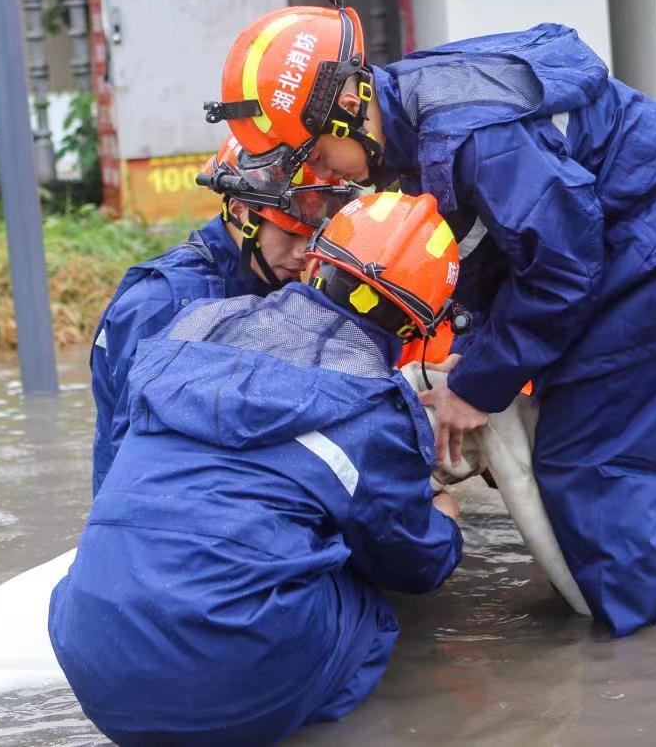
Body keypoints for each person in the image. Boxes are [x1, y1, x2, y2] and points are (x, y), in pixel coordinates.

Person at [203, 0, 656, 638]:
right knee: (574, 456)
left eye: (321, 158)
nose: (330, 181)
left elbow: (561, 264)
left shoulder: (470, 136)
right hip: (623, 254)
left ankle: (643, 673)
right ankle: (646, 622)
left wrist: (477, 383)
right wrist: (470, 363)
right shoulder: (408, 118)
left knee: (589, 474)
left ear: (351, 107)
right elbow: (500, 251)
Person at [51, 192, 465, 746]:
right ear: (418, 330)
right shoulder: (375, 412)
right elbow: (414, 563)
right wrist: (445, 522)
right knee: (370, 599)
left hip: (90, 659)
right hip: (230, 689)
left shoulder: (192, 324)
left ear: (316, 263)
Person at [88, 134, 354, 496]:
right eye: (292, 233)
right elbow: (137, 453)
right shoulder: (163, 303)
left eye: (314, 240)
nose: (304, 254)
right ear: (242, 212)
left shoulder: (268, 285)